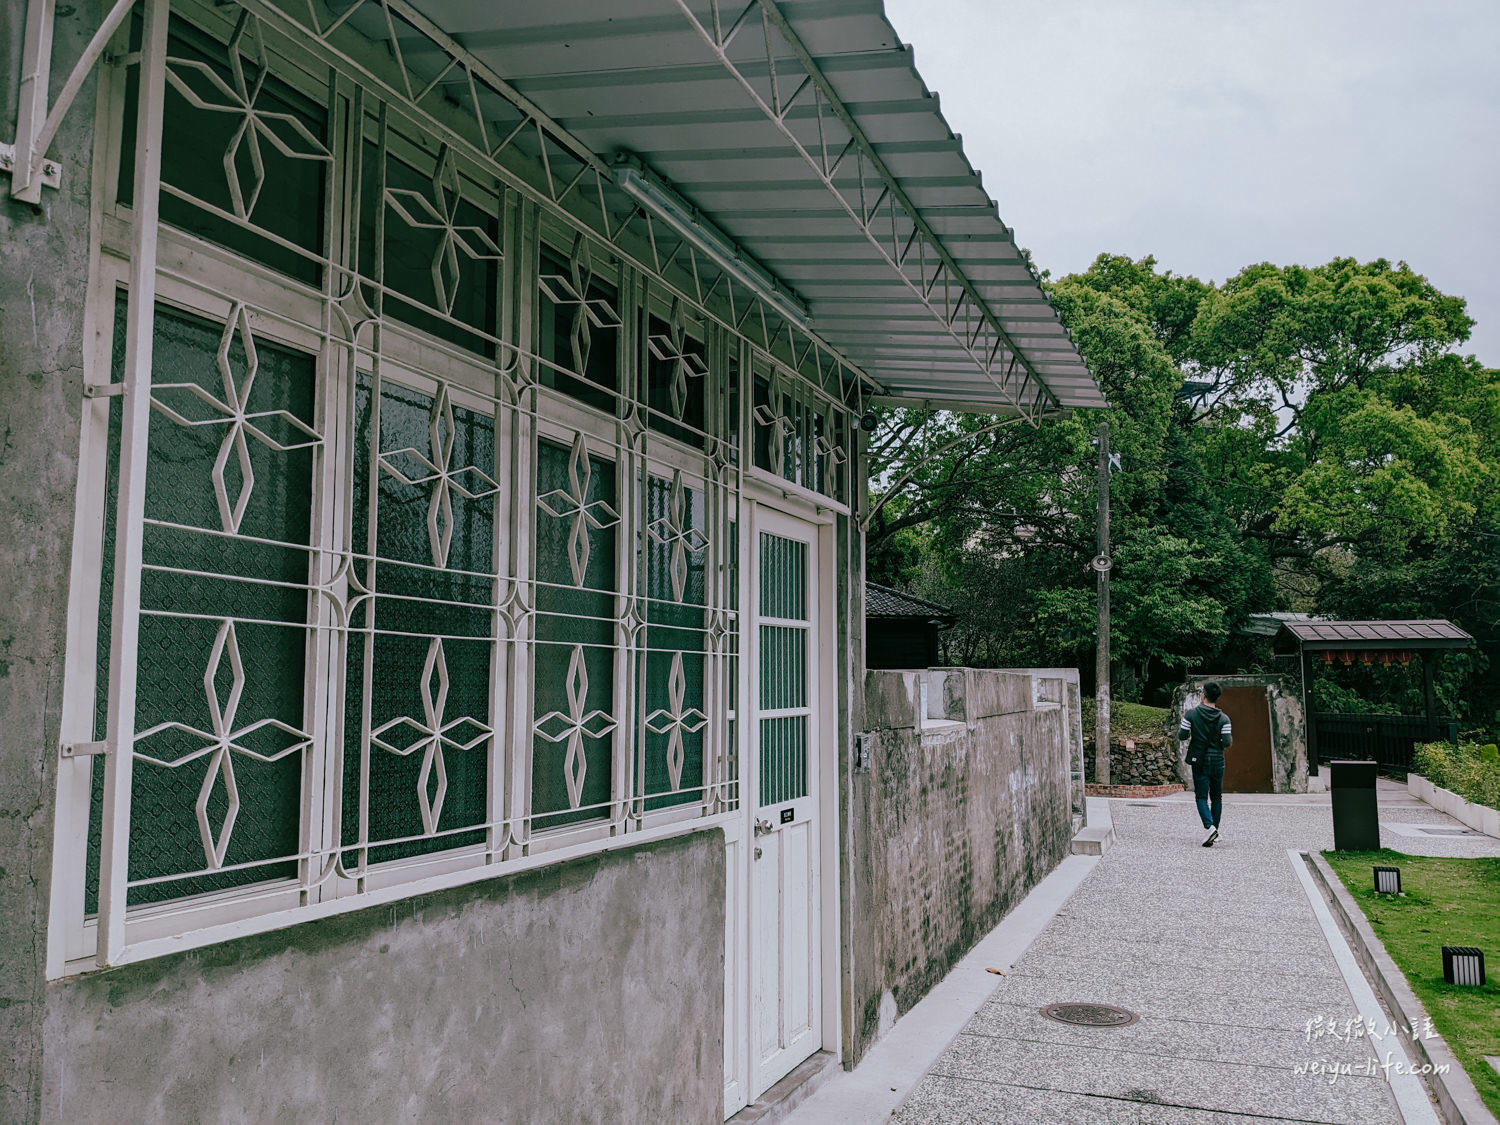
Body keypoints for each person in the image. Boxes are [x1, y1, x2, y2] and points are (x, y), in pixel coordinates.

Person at [1179, 682, 1233, 846]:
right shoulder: (1224, 718)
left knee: (1201, 796)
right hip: (1217, 760)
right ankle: (1214, 830)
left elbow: (1182, 736)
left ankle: (1210, 828)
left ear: (1203, 696)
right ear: (1217, 698)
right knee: (1217, 797)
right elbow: (1227, 742)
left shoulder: (1191, 715)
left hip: (1199, 760)